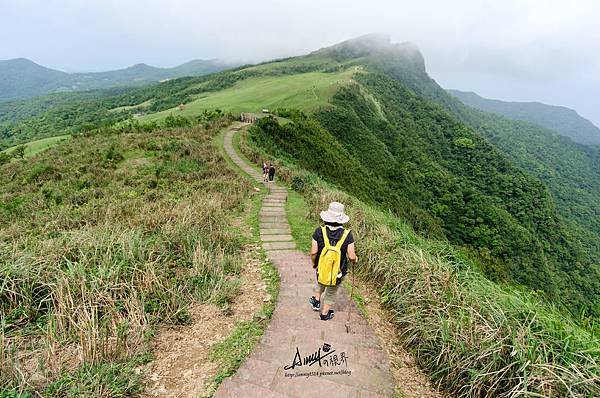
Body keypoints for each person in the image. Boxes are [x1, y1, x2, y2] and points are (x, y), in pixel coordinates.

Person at [309, 202, 357, 320]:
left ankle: (316, 301)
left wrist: (314, 263)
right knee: (332, 290)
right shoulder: (347, 235)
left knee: (321, 281)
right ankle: (325, 314)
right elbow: (351, 256)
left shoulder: (319, 231)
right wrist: (355, 259)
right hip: (338, 270)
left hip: (322, 266)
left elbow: (313, 252)